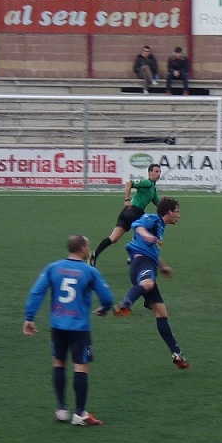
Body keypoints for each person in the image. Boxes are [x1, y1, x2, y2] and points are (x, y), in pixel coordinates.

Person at [23, 234, 115, 426]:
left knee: (59, 363)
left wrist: (29, 317)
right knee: (80, 367)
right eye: (87, 246)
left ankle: (61, 409)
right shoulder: (89, 271)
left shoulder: (53, 267)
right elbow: (106, 297)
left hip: (57, 325)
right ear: (82, 248)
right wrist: (104, 308)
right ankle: (80, 413)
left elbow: (37, 291)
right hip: (79, 327)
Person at [114, 197, 189, 368]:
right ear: (169, 212)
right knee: (148, 283)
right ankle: (125, 303)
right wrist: (145, 234)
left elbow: (153, 250)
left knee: (161, 313)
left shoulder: (160, 227)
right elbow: (136, 225)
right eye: (177, 212)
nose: (179, 215)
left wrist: (163, 266)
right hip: (141, 263)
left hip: (148, 263)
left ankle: (176, 353)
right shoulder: (154, 219)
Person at [91, 163, 161, 266]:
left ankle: (94, 255)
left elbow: (159, 205)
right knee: (145, 230)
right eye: (156, 171)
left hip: (126, 212)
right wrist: (127, 199)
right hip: (134, 212)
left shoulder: (153, 189)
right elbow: (129, 183)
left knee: (113, 238)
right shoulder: (147, 183)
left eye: (160, 172)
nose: (158, 174)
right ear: (150, 173)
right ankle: (134, 254)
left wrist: (168, 210)